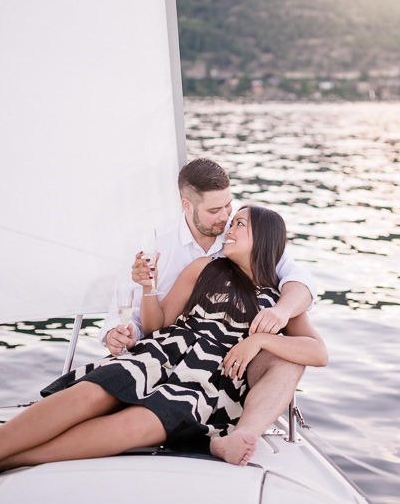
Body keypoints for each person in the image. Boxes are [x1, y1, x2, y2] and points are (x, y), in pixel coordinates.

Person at [0, 206, 327, 501]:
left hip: (207, 382)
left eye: (240, 225)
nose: (228, 229)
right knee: (88, 395)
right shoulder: (203, 269)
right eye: (229, 222)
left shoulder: (278, 300)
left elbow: (316, 352)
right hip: (161, 352)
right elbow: (160, 323)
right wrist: (147, 290)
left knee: (133, 426)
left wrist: (260, 340)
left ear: (265, 239)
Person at [100, 158, 317, 462]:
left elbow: (298, 278)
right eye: (215, 211)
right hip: (171, 350)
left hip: (230, 368)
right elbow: (137, 317)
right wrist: (117, 332)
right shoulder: (154, 244)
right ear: (187, 206)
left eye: (229, 206)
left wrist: (279, 315)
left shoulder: (242, 234)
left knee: (288, 360)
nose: (226, 218)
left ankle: (239, 435)